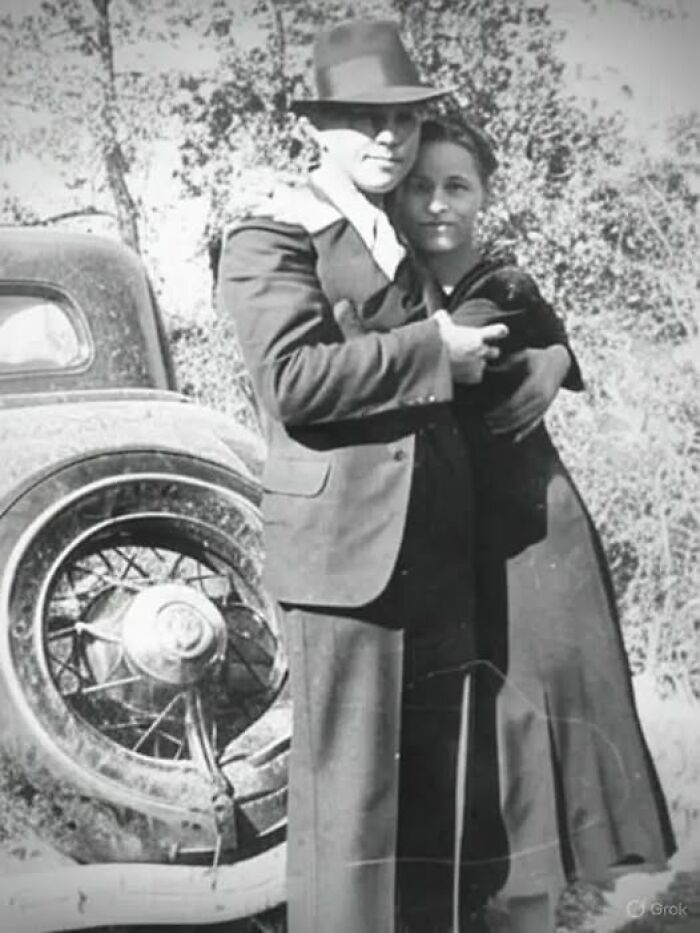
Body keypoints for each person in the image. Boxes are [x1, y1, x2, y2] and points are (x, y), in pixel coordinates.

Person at [218, 19, 579, 933]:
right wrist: (433, 353)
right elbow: (293, 380)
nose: (387, 137)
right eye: (361, 118)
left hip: (443, 560)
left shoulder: (416, 223)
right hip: (346, 565)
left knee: (434, 813)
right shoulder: (271, 228)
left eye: (405, 121)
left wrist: (554, 354)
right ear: (316, 127)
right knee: (350, 819)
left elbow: (507, 296)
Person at [379, 115, 675, 931]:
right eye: (420, 185)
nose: (437, 204)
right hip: (455, 530)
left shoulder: (501, 281)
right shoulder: (395, 283)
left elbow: (510, 341)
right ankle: (507, 896)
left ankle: (552, 896)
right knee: (482, 702)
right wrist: (555, 357)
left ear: (484, 196)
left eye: (457, 186)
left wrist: (556, 356)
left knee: (539, 700)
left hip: (531, 521)